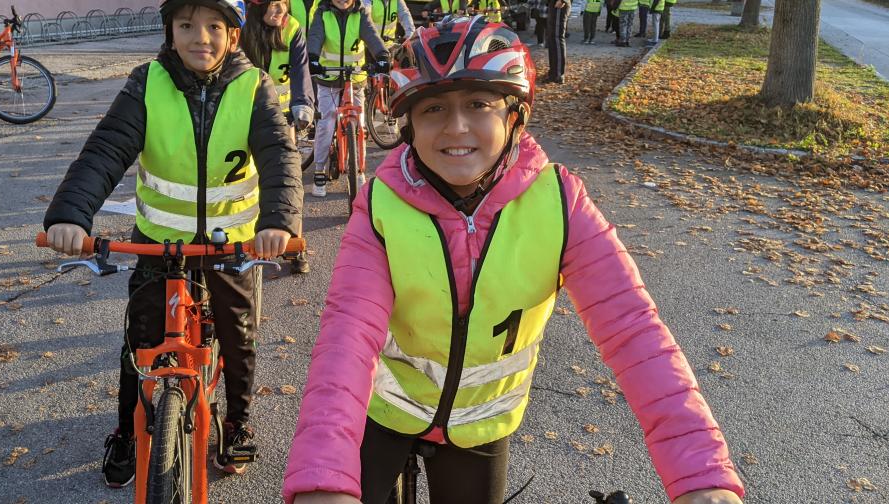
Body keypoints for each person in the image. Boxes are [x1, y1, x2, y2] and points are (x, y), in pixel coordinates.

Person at [282, 16, 745, 504]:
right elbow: (345, 338)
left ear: (515, 115)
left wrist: (701, 477)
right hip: (377, 415)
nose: (456, 127)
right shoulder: (381, 203)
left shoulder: (559, 202)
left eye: (479, 104)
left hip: (480, 425)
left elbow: (635, 332)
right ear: (408, 125)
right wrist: (323, 480)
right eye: (433, 107)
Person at [42, 0, 303, 486]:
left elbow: (278, 155)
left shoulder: (254, 87)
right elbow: (105, 149)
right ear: (170, 30)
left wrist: (279, 222)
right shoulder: (148, 83)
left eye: (213, 27)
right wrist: (70, 216)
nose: (199, 38)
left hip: (233, 247)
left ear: (233, 34)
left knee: (238, 337)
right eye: (186, 25)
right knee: (139, 342)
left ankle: (238, 423)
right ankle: (126, 431)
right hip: (158, 244)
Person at [242, 0, 315, 274]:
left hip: (282, 119)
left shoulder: (292, 28)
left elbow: (300, 70)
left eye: (284, 3)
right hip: (243, 117)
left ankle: (295, 244)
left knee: (287, 179)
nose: (281, 10)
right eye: (274, 5)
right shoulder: (240, 30)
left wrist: (303, 103)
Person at [307, 0, 389, 197]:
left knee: (359, 126)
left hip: (355, 78)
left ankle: (359, 169)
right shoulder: (322, 13)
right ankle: (319, 169)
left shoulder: (361, 13)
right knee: (326, 123)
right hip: (328, 78)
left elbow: (371, 35)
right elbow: (316, 37)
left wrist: (382, 55)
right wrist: (313, 58)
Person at [543, 0, 570, 84]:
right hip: (553, 4)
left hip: (559, 5)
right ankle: (553, 73)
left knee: (557, 39)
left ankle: (559, 74)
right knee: (552, 40)